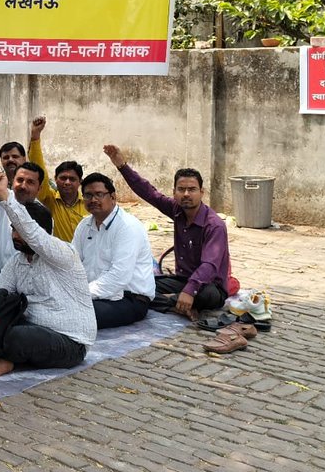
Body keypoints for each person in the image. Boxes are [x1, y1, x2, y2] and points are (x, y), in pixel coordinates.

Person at [0, 171, 96, 375]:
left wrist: (4, 195)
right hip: (30, 328)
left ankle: (12, 363)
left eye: (19, 230)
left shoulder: (63, 254)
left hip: (69, 341)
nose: (15, 235)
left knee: (15, 337)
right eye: (13, 229)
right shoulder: (17, 262)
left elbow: (32, 232)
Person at [104, 145, 230, 315]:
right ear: (174, 192)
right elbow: (148, 192)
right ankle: (175, 305)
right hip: (181, 280)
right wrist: (121, 165)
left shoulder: (214, 225)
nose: (186, 194)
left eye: (192, 189)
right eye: (181, 189)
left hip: (209, 287)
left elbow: (209, 265)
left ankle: (174, 301)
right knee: (135, 285)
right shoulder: (176, 209)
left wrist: (190, 290)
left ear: (202, 192)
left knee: (206, 295)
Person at [71, 173, 155, 329]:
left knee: (76, 315)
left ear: (113, 197)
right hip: (93, 295)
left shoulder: (127, 226)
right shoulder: (84, 225)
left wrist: (80, 294)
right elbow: (72, 263)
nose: (93, 200)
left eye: (99, 194)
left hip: (129, 298)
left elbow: (119, 276)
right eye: (88, 195)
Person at [27, 116, 88, 242]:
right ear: (55, 179)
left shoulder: (89, 205)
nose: (67, 182)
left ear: (80, 182)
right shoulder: (49, 201)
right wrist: (35, 136)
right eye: (63, 178)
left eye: (72, 179)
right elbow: (39, 170)